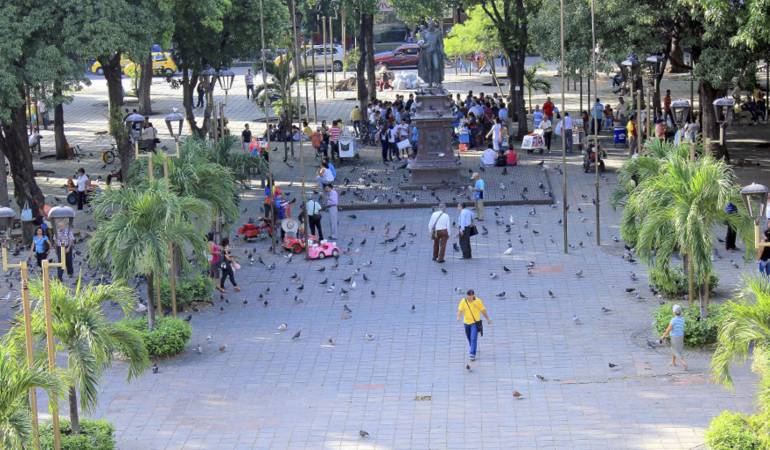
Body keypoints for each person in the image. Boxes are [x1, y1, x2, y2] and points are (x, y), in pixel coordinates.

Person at [456, 289, 491, 361]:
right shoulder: (463, 301)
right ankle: (473, 346)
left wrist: (487, 319)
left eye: (471, 297)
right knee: (469, 337)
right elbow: (460, 310)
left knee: (473, 338)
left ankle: (472, 353)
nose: (470, 298)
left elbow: (483, 310)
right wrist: (458, 317)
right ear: (467, 296)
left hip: (475, 323)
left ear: (473, 295)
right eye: (468, 297)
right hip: (466, 323)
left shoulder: (478, 301)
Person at [660, 304, 687, 370]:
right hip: (681, 336)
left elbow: (668, 329)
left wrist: (663, 336)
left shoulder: (673, 320)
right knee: (678, 350)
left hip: (675, 337)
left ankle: (684, 363)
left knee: (675, 350)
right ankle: (673, 362)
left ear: (674, 312)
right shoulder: (682, 319)